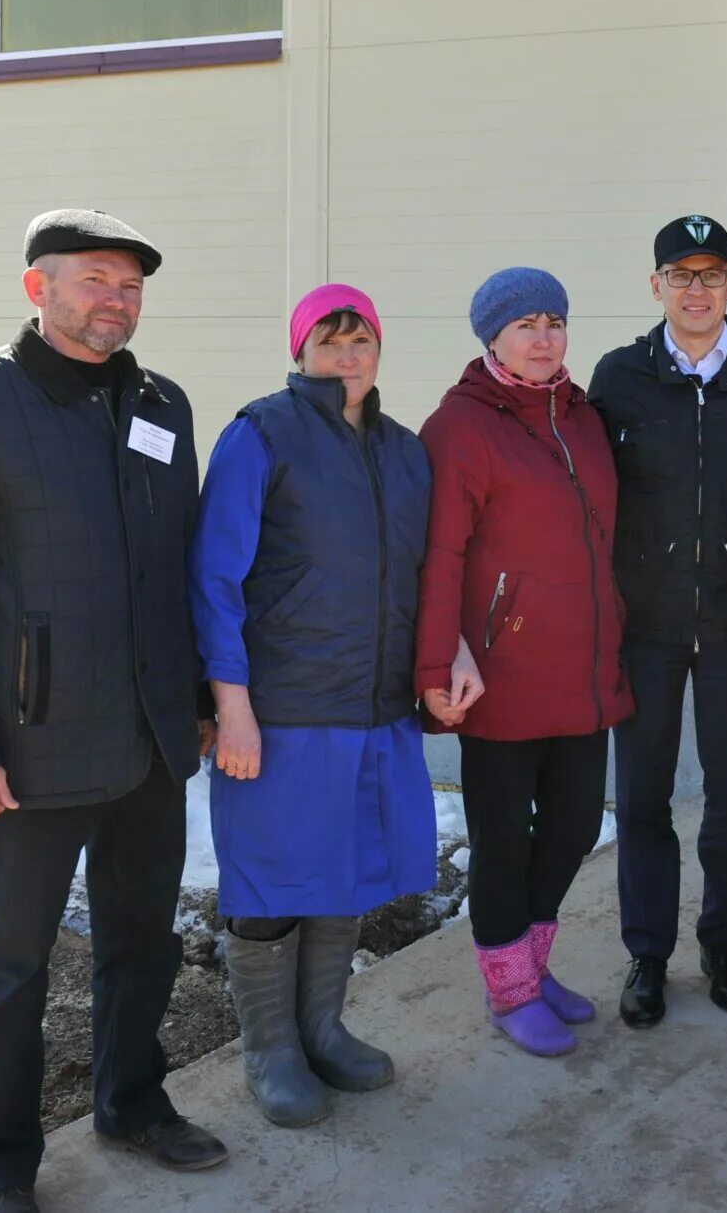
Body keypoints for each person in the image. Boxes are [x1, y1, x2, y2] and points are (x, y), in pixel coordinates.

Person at [0, 211, 226, 1213]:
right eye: (93, 278)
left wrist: (199, 703)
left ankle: (132, 1100)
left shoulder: (162, 403)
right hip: (26, 753)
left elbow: (181, 570)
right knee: (12, 968)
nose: (113, 299)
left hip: (147, 745)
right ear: (38, 288)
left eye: (129, 284)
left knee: (143, 941)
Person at [188, 284, 459, 1126]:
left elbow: (430, 573)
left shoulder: (404, 451)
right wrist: (228, 703)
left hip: (375, 705)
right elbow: (214, 577)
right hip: (286, 707)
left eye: (362, 340)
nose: (347, 355)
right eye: (330, 340)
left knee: (344, 870)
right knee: (271, 880)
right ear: (300, 347)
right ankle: (271, 1050)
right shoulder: (261, 433)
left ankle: (322, 1028)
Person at [587, 214, 727, 1028]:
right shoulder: (618, 378)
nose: (696, 290)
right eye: (681, 275)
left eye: (712, 274)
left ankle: (721, 942)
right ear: (656, 287)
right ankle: (647, 951)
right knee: (642, 799)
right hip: (644, 626)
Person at [415, 267, 633, 1058]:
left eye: (553, 321)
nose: (543, 338)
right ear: (491, 337)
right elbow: (438, 555)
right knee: (503, 837)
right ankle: (508, 989)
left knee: (574, 825)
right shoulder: (460, 427)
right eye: (524, 325)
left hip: (584, 667)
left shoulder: (580, 417)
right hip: (498, 675)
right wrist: (440, 659)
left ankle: (531, 968)